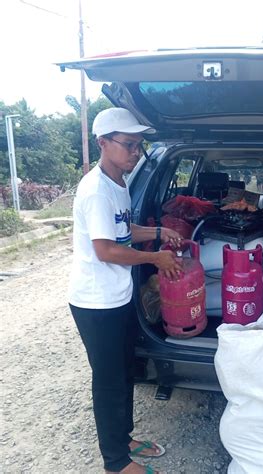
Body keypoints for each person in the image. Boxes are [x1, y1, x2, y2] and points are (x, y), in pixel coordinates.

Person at [69, 107, 183, 474]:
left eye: (139, 145)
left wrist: (158, 234)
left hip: (117, 296)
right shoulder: (96, 190)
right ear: (103, 143)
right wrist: (155, 260)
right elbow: (106, 250)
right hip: (94, 301)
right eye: (129, 144)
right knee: (108, 379)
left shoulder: (118, 183)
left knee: (125, 371)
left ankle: (125, 438)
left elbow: (123, 231)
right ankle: (115, 461)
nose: (136, 152)